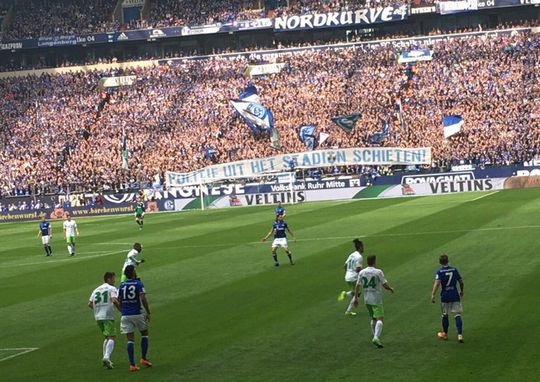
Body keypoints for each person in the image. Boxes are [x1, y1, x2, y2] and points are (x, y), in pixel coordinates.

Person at [353, 255, 394, 348]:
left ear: (367, 262)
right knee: (380, 319)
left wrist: (356, 298)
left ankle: (374, 335)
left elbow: (357, 285)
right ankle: (376, 337)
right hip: (376, 299)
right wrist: (390, 289)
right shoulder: (378, 272)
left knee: (373, 318)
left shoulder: (362, 272)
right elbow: (385, 285)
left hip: (367, 299)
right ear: (374, 261)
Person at [119, 265, 152, 372]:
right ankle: (143, 358)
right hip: (137, 313)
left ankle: (132, 365)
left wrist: (124, 309)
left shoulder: (121, 285)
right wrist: (148, 312)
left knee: (130, 340)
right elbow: (143, 298)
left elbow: (119, 300)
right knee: (144, 333)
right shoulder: (138, 283)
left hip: (125, 315)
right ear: (133, 272)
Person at [88, 272, 121, 369]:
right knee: (112, 337)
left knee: (106, 337)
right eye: (113, 278)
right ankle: (106, 357)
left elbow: (90, 304)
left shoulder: (96, 289)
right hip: (107, 316)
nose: (114, 281)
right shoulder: (111, 288)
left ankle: (105, 358)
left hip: (98, 317)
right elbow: (114, 300)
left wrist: (99, 309)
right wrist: (121, 310)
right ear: (109, 279)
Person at [431, 254, 464, 343]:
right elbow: (461, 281)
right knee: (457, 315)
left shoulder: (440, 272)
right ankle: (460, 335)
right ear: (448, 261)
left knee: (445, 315)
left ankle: (445, 334)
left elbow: (437, 283)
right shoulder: (454, 270)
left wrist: (433, 295)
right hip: (454, 294)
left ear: (440, 262)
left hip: (445, 296)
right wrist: (461, 291)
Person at [338, 239, 364, 316]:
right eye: (362, 247)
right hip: (353, 277)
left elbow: (344, 265)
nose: (363, 248)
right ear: (360, 247)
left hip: (347, 276)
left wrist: (348, 272)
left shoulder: (351, 254)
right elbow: (358, 269)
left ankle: (345, 294)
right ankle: (348, 311)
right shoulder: (359, 257)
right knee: (357, 294)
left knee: (355, 292)